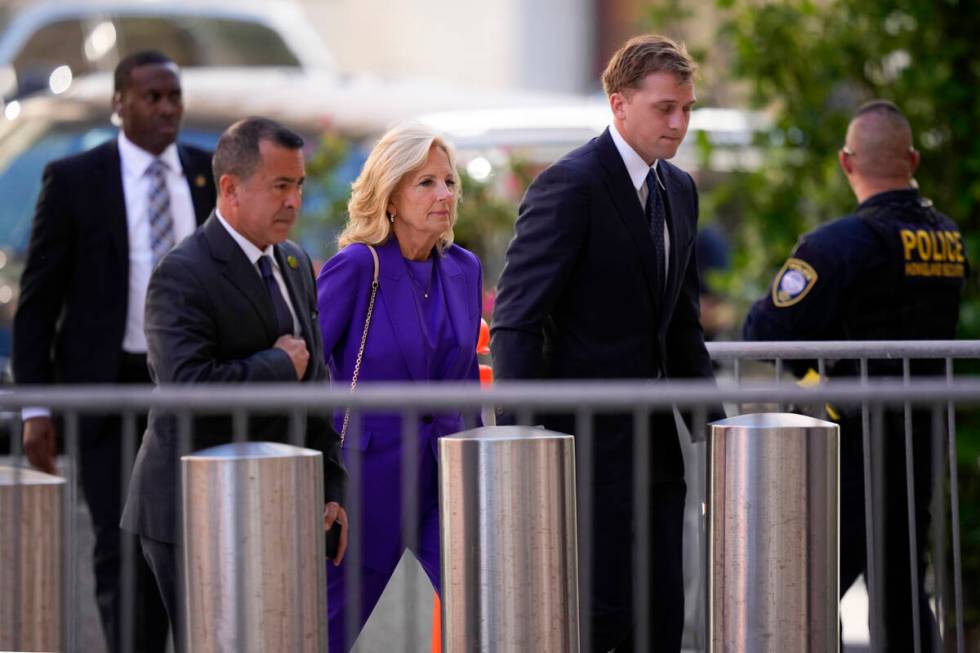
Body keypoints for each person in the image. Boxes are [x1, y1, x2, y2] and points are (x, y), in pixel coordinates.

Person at [491, 35, 715, 652]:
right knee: (596, 617)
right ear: (618, 105)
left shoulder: (680, 191)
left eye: (687, 108)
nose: (679, 122)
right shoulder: (571, 184)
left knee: (662, 615)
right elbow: (516, 319)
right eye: (665, 108)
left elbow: (682, 326)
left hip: (655, 450)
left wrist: (715, 435)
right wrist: (522, 437)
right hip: (581, 447)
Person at [743, 100, 967, 651]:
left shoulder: (839, 244)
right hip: (919, 437)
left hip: (852, 440)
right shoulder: (948, 239)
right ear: (911, 159)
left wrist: (815, 378)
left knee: (809, 581)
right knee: (900, 584)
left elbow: (763, 332)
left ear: (847, 163)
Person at [12, 50, 215, 652]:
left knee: (195, 541)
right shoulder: (76, 180)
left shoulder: (208, 175)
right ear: (119, 104)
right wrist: (35, 408)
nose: (166, 109)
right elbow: (38, 303)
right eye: (152, 97)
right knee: (121, 544)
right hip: (111, 391)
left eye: (174, 96)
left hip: (191, 390)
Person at [120, 117, 348, 647]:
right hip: (195, 509)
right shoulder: (183, 272)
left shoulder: (293, 261)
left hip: (277, 498)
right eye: (279, 186)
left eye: (299, 186)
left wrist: (331, 484)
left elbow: (314, 386)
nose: (294, 201)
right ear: (229, 188)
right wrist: (275, 365)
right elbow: (186, 387)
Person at [316, 122, 482, 652]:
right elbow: (305, 375)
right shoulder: (357, 266)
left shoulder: (463, 269)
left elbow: (463, 389)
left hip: (446, 485)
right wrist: (322, 479)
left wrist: (478, 472)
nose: (444, 196)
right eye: (426, 183)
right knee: (329, 630)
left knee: (487, 612)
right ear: (389, 196)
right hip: (366, 485)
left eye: (449, 182)